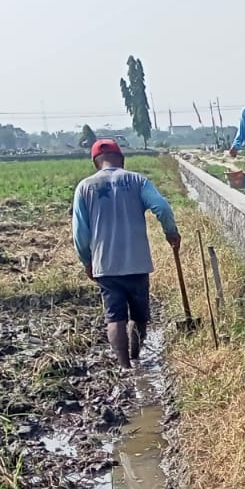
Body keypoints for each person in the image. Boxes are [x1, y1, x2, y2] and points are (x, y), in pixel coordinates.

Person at [71, 139, 180, 369]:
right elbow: (162, 207)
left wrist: (87, 260)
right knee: (139, 316)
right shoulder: (137, 180)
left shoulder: (84, 187)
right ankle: (136, 356)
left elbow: (80, 232)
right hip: (137, 262)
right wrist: (171, 233)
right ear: (121, 159)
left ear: (95, 163)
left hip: (106, 264)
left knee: (115, 317)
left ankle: (124, 366)